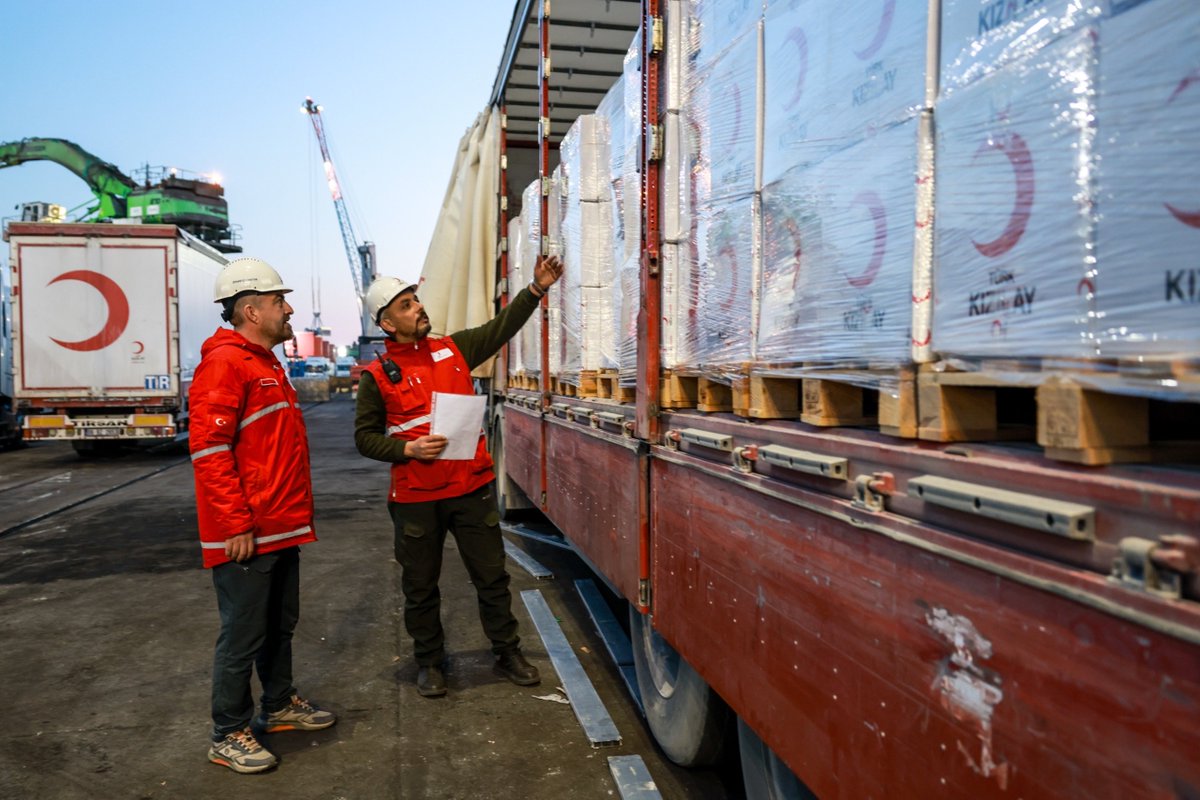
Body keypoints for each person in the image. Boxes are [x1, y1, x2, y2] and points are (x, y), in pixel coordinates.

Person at [355, 254, 564, 698]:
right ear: (388, 324)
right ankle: (430, 661)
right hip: (416, 498)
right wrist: (406, 448)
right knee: (420, 586)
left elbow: (501, 328)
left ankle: (507, 652)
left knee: (492, 578)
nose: (419, 308)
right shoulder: (376, 377)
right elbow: (364, 439)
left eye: (416, 300)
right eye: (407, 306)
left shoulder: (454, 349)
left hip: (471, 489)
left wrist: (536, 289)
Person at [189, 257, 336, 773]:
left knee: (279, 624)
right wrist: (234, 524)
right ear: (251, 310)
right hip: (247, 533)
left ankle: (277, 705)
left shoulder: (265, 364)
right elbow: (209, 450)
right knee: (243, 633)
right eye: (279, 301)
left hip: (280, 526)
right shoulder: (226, 365)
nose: (288, 308)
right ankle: (227, 732)